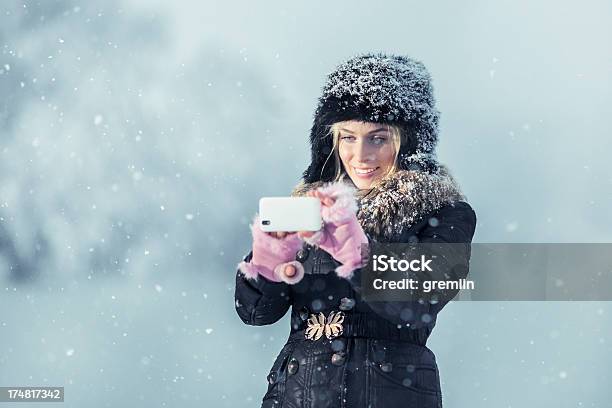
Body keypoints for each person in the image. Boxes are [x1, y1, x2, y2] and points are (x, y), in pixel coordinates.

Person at [234, 53, 477, 408]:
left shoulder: (444, 212)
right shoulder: (308, 207)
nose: (360, 154)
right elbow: (255, 314)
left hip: (388, 393)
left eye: (377, 138)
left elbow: (417, 304)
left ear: (408, 141)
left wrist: (360, 256)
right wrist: (267, 265)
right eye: (348, 137)